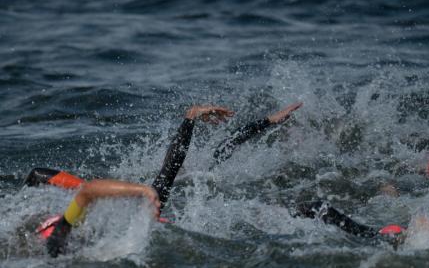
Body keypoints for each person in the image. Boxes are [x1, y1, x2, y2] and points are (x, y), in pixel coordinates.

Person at [24, 102, 303, 257]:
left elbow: (64, 183)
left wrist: (139, 191)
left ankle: (205, 118)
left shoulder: (60, 239)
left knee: (187, 176)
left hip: (91, 207)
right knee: (191, 174)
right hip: (112, 208)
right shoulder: (115, 232)